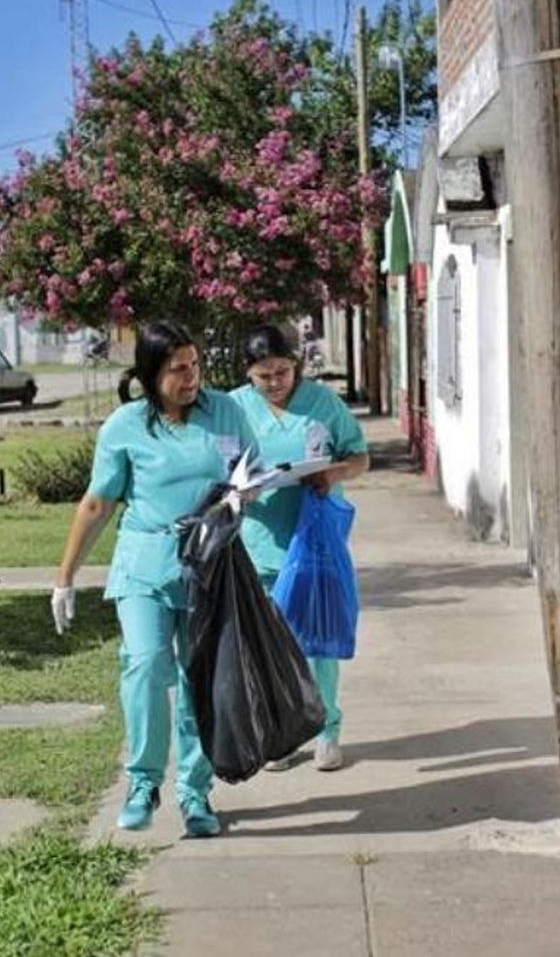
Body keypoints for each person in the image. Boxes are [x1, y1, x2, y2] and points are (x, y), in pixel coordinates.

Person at [51, 320, 257, 837]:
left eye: (195, 365)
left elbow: (251, 472)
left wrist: (243, 496)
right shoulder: (125, 426)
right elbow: (98, 501)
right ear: (150, 374)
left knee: (198, 680)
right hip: (144, 562)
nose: (192, 377)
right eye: (178, 369)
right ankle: (143, 780)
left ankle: (195, 792)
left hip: (207, 565)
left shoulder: (226, 410)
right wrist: (65, 577)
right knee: (143, 665)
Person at [231, 323, 369, 772]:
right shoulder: (234, 408)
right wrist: (238, 489)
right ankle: (285, 732)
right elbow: (219, 464)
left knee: (318, 639)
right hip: (259, 541)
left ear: (297, 365)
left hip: (312, 541)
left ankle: (328, 728)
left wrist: (333, 474)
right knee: (272, 644)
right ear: (249, 374)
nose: (274, 383)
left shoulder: (323, 403)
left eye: (283, 372)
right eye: (264, 376)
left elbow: (359, 456)